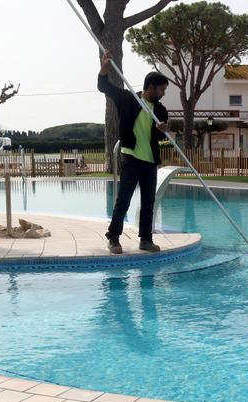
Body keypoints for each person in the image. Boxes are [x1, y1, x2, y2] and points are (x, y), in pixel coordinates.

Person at [97, 51, 169, 254]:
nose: (163, 93)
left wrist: (163, 130)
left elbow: (161, 138)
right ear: (151, 87)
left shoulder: (160, 111)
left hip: (150, 161)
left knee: (149, 202)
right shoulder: (128, 99)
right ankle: (113, 238)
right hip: (131, 157)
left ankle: (146, 239)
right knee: (124, 200)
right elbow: (104, 86)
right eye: (161, 89)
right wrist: (105, 66)